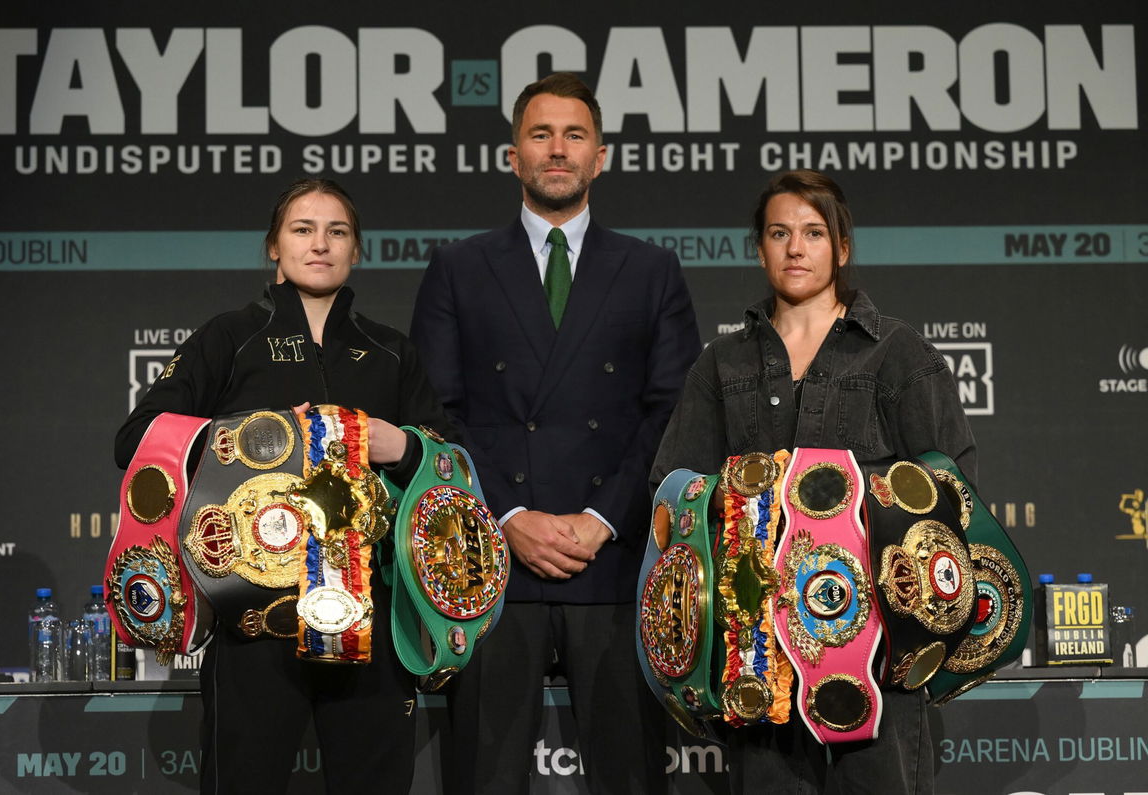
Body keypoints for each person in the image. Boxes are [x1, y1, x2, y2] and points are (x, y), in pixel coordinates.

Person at [411, 72, 701, 794]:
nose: (558, 149)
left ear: (601, 156)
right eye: (541, 134)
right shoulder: (458, 268)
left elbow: (671, 413)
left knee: (630, 775)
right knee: (483, 776)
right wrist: (506, 515)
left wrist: (603, 518)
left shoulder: (652, 270)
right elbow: (437, 414)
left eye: (575, 135)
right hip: (490, 568)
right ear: (513, 155)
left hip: (611, 562)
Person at [115, 177, 453, 794]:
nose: (319, 244)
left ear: (358, 250)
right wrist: (256, 440)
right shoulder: (229, 337)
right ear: (273, 246)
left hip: (372, 624)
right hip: (254, 628)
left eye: (337, 231)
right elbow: (139, 439)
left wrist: (400, 446)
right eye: (303, 229)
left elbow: (450, 476)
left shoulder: (392, 352)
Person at [651, 168, 976, 794]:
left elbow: (954, 485)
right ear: (760, 246)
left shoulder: (898, 355)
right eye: (779, 233)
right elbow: (672, 488)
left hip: (878, 657)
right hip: (759, 659)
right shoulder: (723, 364)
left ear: (842, 248)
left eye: (813, 232)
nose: (795, 248)